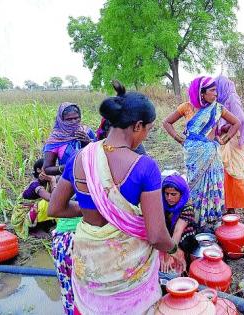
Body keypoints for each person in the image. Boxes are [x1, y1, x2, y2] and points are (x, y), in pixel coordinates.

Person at [48, 83, 185, 315]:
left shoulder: (82, 157)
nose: (145, 136)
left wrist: (92, 208)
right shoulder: (145, 167)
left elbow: (56, 208)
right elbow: (156, 235)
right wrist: (174, 250)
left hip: (90, 268)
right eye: (147, 130)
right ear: (137, 125)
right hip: (128, 276)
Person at [163, 76, 241, 231]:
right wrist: (180, 139)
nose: (216, 94)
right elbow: (166, 122)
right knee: (195, 188)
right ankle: (193, 221)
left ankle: (212, 223)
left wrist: (223, 140)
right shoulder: (187, 107)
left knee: (213, 187)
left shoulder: (218, 108)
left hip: (212, 155)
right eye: (212, 90)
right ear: (201, 93)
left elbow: (237, 123)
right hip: (193, 156)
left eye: (216, 90)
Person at [43, 102, 95, 315]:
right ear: (61, 119)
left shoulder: (86, 132)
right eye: (69, 119)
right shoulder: (55, 139)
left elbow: (101, 152)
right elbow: (47, 167)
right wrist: (68, 167)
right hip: (69, 187)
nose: (74, 123)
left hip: (90, 186)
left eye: (76, 118)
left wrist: (89, 143)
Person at [214, 75, 244, 228]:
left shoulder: (231, 98)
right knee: (226, 178)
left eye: (216, 87)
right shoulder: (221, 101)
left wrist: (226, 129)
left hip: (234, 141)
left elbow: (240, 120)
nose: (215, 91)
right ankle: (231, 211)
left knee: (237, 178)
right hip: (225, 141)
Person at [160, 174, 198, 273]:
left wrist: (169, 255)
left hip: (183, 240)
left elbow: (178, 231)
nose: (169, 198)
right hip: (168, 238)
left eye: (173, 194)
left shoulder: (187, 208)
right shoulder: (162, 205)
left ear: (181, 194)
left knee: (174, 261)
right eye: (166, 193)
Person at [11, 158, 56, 239]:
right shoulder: (35, 185)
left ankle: (47, 225)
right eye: (47, 168)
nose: (51, 171)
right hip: (24, 217)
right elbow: (52, 199)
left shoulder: (48, 182)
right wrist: (53, 181)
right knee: (47, 203)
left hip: (35, 213)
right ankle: (35, 229)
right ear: (38, 170)